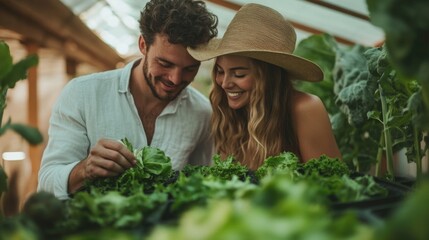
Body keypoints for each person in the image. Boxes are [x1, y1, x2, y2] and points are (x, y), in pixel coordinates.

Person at [38, 0, 218, 199]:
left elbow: (200, 188)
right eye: (164, 63)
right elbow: (46, 184)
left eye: (190, 69)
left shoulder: (202, 114)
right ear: (143, 45)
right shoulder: (82, 94)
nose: (175, 79)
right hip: (93, 228)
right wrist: (84, 170)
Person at [188, 3, 342, 170]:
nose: (225, 83)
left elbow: (333, 182)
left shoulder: (305, 109)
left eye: (239, 74)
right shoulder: (229, 114)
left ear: (268, 77)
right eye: (220, 71)